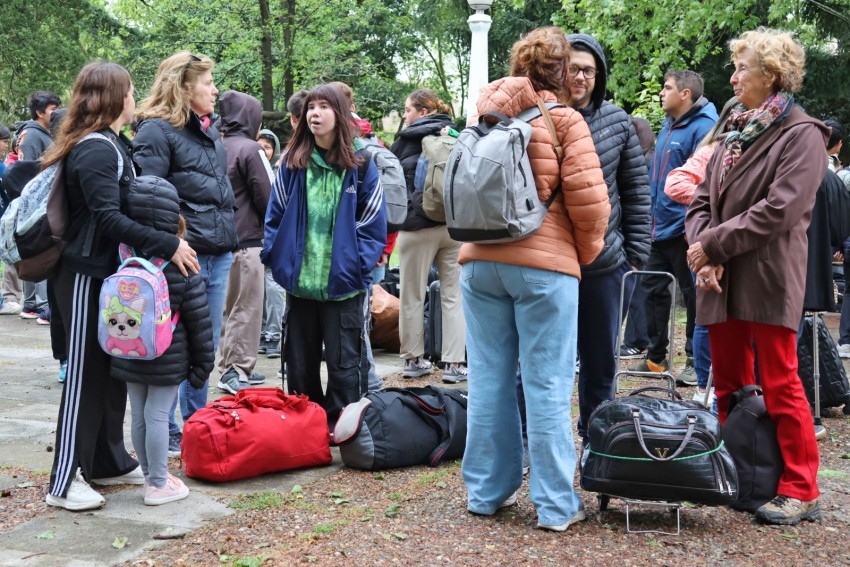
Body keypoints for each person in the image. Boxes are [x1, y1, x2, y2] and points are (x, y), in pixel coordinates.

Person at [460, 26, 609, 531]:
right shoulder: (564, 119)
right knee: (546, 384)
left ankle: (485, 492)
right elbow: (591, 206)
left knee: (488, 380)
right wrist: (579, 256)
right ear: (561, 71)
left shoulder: (483, 117)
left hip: (478, 261)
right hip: (544, 268)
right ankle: (555, 504)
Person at [41, 61, 199, 511]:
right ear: (114, 98)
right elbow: (108, 219)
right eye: (129, 91)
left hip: (107, 278)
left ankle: (106, 460)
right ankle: (64, 481)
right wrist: (169, 244)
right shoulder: (95, 149)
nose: (134, 98)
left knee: (109, 372)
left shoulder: (113, 143)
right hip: (82, 277)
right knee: (84, 376)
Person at [685, 28, 825, 525]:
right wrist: (704, 254)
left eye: (742, 67)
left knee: (780, 382)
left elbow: (780, 209)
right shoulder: (733, 131)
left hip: (767, 274)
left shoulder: (803, 134)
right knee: (728, 384)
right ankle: (737, 476)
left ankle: (801, 488)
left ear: (772, 74)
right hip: (719, 277)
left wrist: (712, 246)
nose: (733, 76)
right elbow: (699, 202)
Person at [262, 83, 386, 427]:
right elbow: (275, 216)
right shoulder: (293, 163)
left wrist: (357, 267)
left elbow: (372, 222)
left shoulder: (362, 163)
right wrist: (277, 259)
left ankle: (344, 430)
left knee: (345, 365)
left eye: (323, 107)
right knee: (299, 366)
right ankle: (307, 430)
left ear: (340, 114)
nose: (315, 114)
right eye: (311, 108)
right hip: (299, 284)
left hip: (343, 285)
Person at [133, 51, 237, 456]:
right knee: (176, 343)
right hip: (181, 257)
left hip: (218, 252)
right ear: (184, 86)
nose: (215, 90)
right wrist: (172, 245)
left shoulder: (209, 131)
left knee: (205, 345)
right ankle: (170, 427)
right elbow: (147, 198)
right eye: (208, 82)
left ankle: (198, 422)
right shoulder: (156, 131)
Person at [563, 34, 651, 446]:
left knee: (600, 363)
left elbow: (635, 190)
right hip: (550, 262)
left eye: (589, 70)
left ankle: (597, 443)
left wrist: (635, 255)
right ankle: (532, 443)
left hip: (605, 263)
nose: (580, 77)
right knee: (543, 362)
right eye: (573, 68)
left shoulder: (616, 121)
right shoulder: (540, 115)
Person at [111, 176, 213, 505]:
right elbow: (199, 319)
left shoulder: (122, 254)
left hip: (127, 348)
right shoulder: (181, 261)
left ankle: (149, 475)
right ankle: (157, 483)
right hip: (167, 353)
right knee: (157, 414)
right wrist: (203, 364)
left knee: (139, 415)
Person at [630, 70, 717, 386]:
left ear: (685, 94)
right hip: (658, 227)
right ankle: (656, 359)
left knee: (694, 296)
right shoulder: (669, 126)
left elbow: (705, 182)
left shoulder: (705, 127)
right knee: (652, 289)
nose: (661, 93)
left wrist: (692, 223)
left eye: (667, 88)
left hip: (685, 229)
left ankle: (695, 361)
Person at [664, 96, 739, 406]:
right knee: (708, 315)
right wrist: (714, 198)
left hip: (741, 243)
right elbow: (674, 182)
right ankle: (702, 387)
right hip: (710, 242)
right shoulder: (712, 149)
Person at [390, 89, 467, 382]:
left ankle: (414, 360)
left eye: (407, 110)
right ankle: (454, 364)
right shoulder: (457, 136)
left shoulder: (404, 141)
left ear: (423, 112)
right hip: (452, 226)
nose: (405, 116)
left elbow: (393, 183)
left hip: (415, 228)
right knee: (453, 296)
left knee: (412, 295)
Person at [216, 90, 272, 393]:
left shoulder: (215, 145)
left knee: (229, 308)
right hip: (247, 241)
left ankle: (230, 364)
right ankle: (235, 369)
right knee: (246, 306)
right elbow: (268, 197)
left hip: (219, 242)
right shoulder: (251, 149)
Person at [12, 91, 61, 324]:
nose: (57, 114)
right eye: (53, 109)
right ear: (40, 112)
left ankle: (32, 304)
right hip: (34, 204)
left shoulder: (40, 133)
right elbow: (27, 172)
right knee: (39, 250)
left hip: (38, 203)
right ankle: (41, 305)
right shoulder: (32, 135)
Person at [619, 116, 656, 359]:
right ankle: (638, 340)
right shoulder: (650, 159)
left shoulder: (644, 162)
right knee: (639, 287)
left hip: (644, 230)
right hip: (648, 230)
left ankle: (636, 341)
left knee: (637, 288)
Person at [257, 127, 285, 359]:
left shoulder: (278, 172)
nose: (263, 150)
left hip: (272, 236)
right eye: (260, 145)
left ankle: (273, 336)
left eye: (268, 147)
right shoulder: (251, 167)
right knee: (259, 290)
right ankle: (263, 334)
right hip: (253, 236)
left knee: (274, 286)